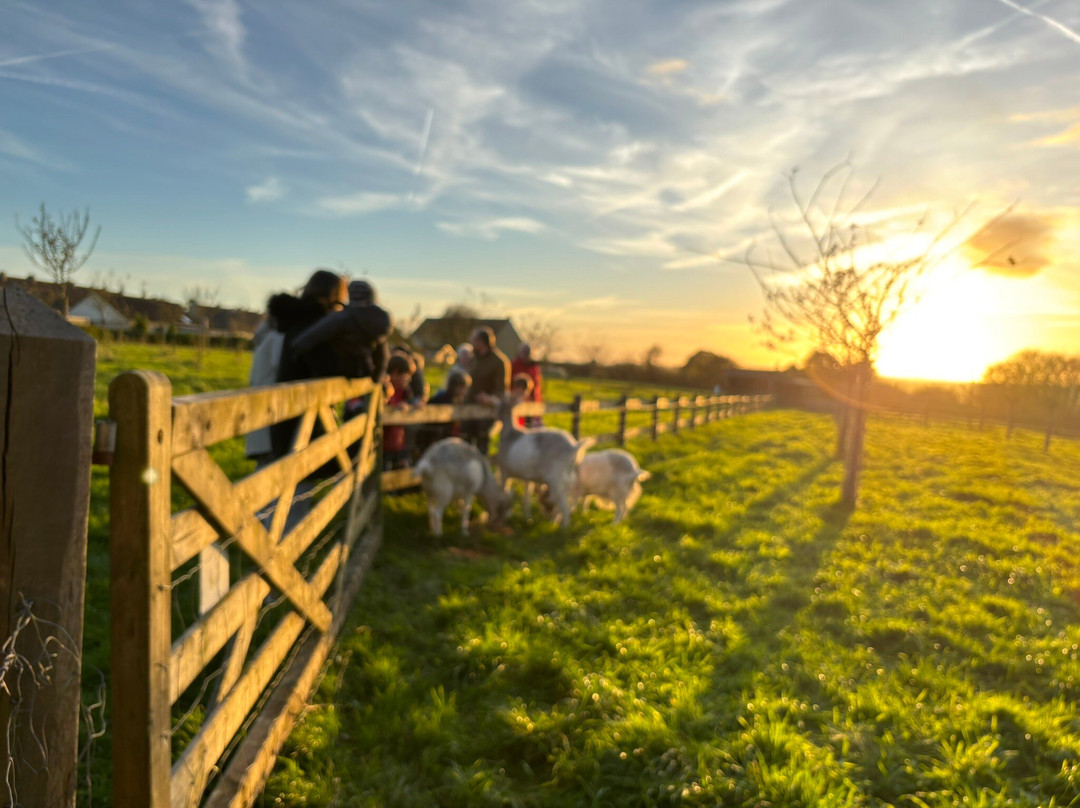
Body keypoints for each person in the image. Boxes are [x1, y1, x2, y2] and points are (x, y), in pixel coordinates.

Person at [465, 326, 510, 454]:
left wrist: (489, 398)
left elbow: (502, 389)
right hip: (469, 407)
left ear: (482, 342)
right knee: (465, 441)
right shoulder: (474, 359)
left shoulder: (499, 362)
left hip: (487, 410)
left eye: (474, 340)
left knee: (482, 444)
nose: (472, 343)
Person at [416, 370, 471, 454]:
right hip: (438, 442)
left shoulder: (462, 403)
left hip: (453, 442)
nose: (465, 392)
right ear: (454, 386)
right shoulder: (440, 400)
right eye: (462, 388)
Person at [383, 353, 414, 470]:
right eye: (407, 375)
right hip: (384, 447)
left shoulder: (403, 392)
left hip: (398, 444)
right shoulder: (384, 390)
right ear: (396, 373)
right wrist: (394, 409)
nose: (409, 378)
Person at [510, 342, 543, 427]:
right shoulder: (514, 365)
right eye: (523, 352)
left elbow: (537, 386)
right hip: (518, 402)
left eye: (527, 352)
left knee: (534, 427)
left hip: (533, 402)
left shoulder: (534, 367)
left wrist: (537, 402)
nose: (525, 355)